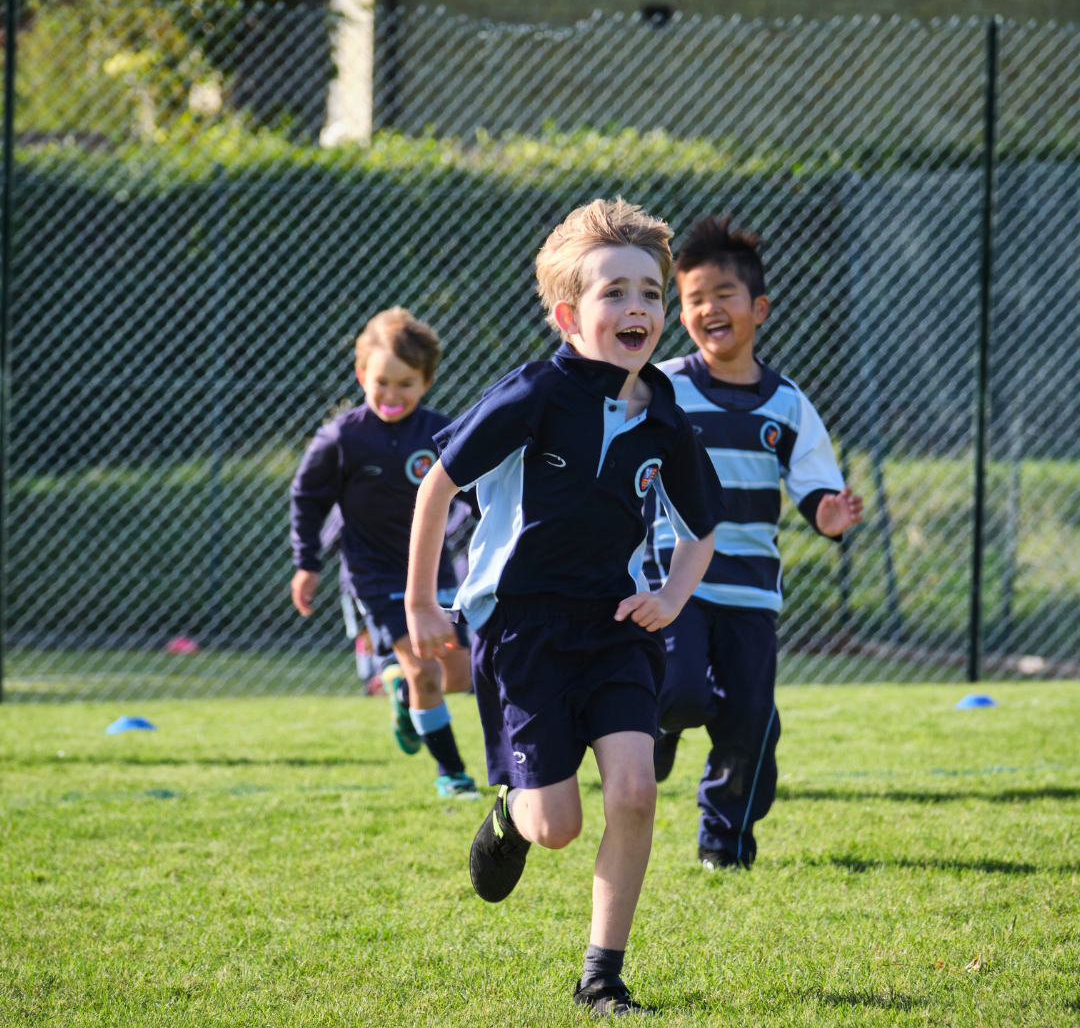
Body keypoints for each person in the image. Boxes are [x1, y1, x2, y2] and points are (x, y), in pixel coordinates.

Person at [405, 199, 723, 1015]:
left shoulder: (664, 417)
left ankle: (602, 975)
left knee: (636, 791)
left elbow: (702, 526)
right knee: (557, 827)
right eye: (614, 293)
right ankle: (510, 816)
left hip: (617, 627)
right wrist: (420, 602)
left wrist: (671, 597)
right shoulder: (534, 395)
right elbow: (440, 481)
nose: (638, 309)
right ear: (568, 315)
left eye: (651, 293)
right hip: (524, 631)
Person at [647, 215, 863, 869]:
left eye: (723, 294)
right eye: (693, 300)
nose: (709, 308)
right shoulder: (663, 388)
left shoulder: (788, 404)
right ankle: (658, 725)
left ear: (758, 307)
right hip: (675, 580)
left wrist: (828, 515)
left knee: (749, 723)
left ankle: (725, 844)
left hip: (749, 589)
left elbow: (815, 487)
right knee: (679, 693)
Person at [290, 307, 481, 800]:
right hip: (373, 573)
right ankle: (452, 775)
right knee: (424, 671)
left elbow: (475, 493)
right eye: (381, 383)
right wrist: (306, 563)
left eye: (406, 384)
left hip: (433, 567)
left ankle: (399, 691)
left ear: (427, 381)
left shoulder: (442, 434)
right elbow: (307, 499)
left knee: (458, 674)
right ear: (361, 376)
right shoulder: (342, 438)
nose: (392, 396)